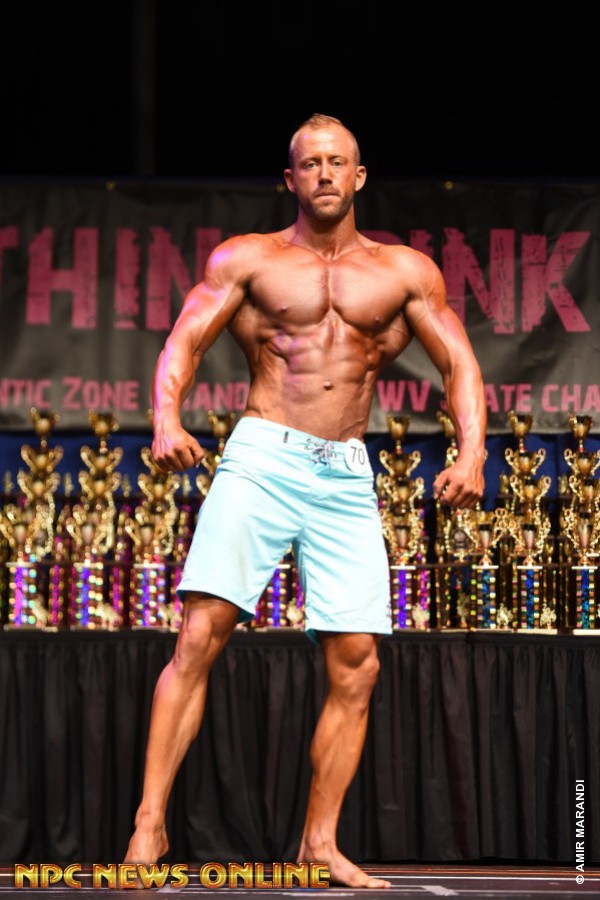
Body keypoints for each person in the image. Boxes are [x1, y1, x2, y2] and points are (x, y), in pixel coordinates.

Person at [124, 113, 486, 888]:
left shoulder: (404, 272)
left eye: (337, 162)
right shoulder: (248, 260)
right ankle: (149, 824)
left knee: (358, 664)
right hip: (263, 456)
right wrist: (165, 418)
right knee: (200, 636)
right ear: (289, 179)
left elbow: (458, 362)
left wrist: (474, 452)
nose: (324, 173)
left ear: (359, 176)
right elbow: (185, 340)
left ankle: (319, 843)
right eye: (310, 163)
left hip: (345, 473)